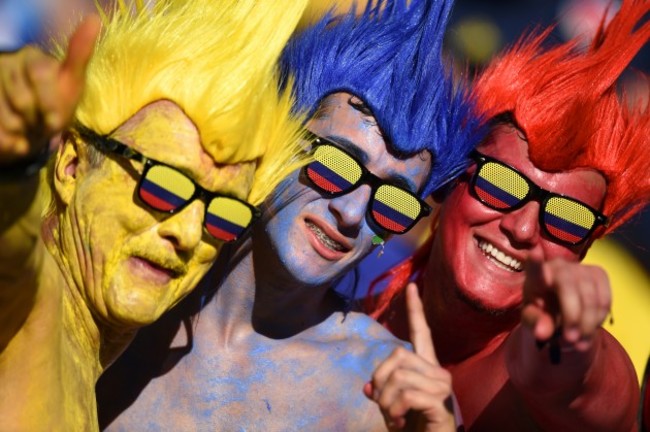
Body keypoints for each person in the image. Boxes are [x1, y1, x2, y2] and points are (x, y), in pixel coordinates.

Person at [96, 0, 481, 430]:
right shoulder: (123, 293)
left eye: (393, 202)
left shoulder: (384, 394)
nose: (352, 213)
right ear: (278, 133)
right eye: (336, 164)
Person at [0, 0, 310, 429]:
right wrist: (13, 166)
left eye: (222, 215)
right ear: (72, 165)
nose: (187, 232)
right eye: (163, 186)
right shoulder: (32, 305)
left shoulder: (79, 364)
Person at [367, 0, 650, 430]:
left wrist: (566, 346)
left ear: (586, 247)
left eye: (566, 220)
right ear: (450, 177)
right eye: (500, 185)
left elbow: (580, 384)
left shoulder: (549, 371)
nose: (521, 228)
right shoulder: (351, 288)